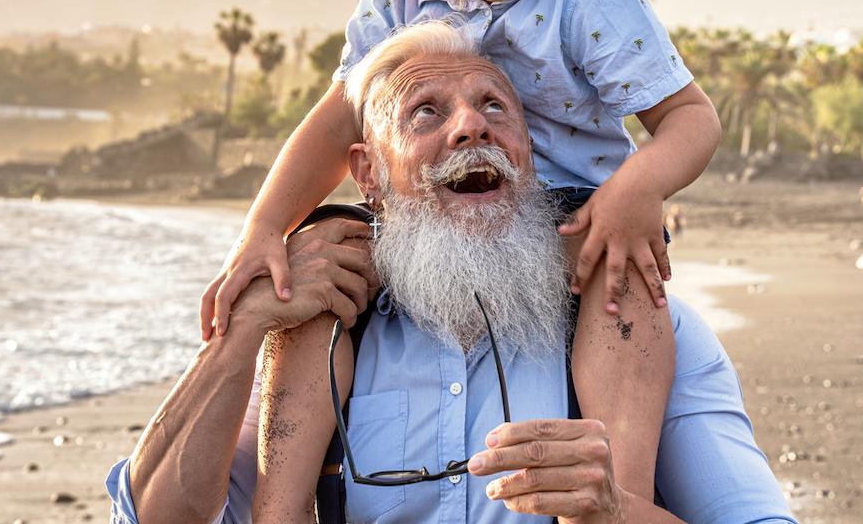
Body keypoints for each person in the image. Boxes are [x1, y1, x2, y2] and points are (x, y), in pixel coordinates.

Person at [199, 0, 722, 509]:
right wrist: (265, 228)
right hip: (431, 204)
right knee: (327, 264)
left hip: (582, 206)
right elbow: (336, 117)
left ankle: (617, 492)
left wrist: (636, 190)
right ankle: (281, 506)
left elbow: (690, 117)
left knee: (626, 291)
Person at [108, 28, 794, 523]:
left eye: (495, 106)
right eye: (426, 112)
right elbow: (152, 518)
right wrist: (242, 329)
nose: (472, 127)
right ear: (369, 174)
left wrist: (616, 513)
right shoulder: (323, 332)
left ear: (526, 154)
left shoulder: (642, 322)